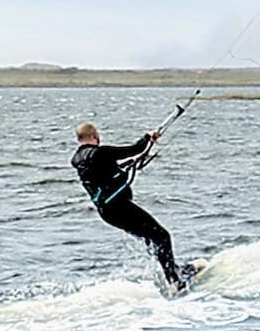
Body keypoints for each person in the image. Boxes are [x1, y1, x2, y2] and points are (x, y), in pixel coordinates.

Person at [71, 122, 184, 287]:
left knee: (151, 239)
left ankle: (172, 271)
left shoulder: (77, 159)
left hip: (107, 213)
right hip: (120, 208)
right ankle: (175, 281)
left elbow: (106, 173)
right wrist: (149, 137)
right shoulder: (100, 153)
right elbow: (135, 148)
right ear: (95, 136)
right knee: (162, 236)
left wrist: (134, 161)